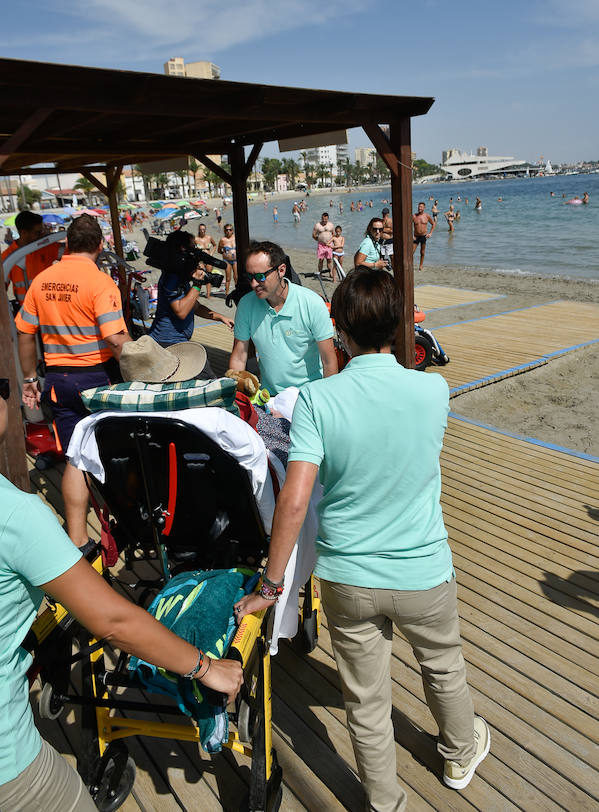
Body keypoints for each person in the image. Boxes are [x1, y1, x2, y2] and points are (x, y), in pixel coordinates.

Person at [234, 268, 490, 811]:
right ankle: (460, 752)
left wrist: (272, 586)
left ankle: (383, 801)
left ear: (341, 330)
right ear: (398, 325)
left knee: (366, 699)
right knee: (443, 665)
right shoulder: (432, 388)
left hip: (348, 575)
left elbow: (295, 501)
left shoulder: (318, 401)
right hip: (422, 567)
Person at [0, 381, 243, 812]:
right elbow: (114, 622)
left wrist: (77, 539)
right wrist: (206, 667)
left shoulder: (99, 428)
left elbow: (76, 470)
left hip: (141, 521)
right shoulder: (16, 515)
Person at [15, 214, 132, 552]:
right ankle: (126, 521)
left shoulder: (43, 280)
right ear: (99, 245)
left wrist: (29, 379)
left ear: (67, 244)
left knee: (76, 458)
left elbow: (24, 333)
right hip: (98, 379)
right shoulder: (99, 282)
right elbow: (114, 338)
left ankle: (77, 537)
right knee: (118, 452)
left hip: (57, 380)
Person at [228, 241, 338, 396]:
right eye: (249, 277)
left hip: (310, 396)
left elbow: (329, 361)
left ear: (281, 270)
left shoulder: (311, 303)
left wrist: (326, 402)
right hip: (269, 396)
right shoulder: (246, 305)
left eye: (260, 277)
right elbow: (239, 358)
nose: (253, 284)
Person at [149, 229, 233, 352]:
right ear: (183, 249)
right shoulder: (172, 277)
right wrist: (198, 284)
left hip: (177, 340)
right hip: (167, 342)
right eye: (193, 247)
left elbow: (195, 307)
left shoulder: (180, 276)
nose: (195, 251)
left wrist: (221, 317)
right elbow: (181, 312)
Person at [2, 210, 61, 307]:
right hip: (25, 312)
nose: (42, 234)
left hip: (50, 308)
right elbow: (1, 290)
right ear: (24, 233)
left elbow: (74, 253)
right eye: (38, 232)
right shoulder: (8, 257)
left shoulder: (46, 247)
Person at [194, 222, 217, 298]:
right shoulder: (196, 239)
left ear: (205, 230)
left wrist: (212, 253)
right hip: (200, 260)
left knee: (208, 276)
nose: (202, 231)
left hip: (209, 259)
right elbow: (192, 249)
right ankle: (196, 293)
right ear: (199, 230)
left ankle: (208, 294)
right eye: (201, 229)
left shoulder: (209, 237)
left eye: (204, 229)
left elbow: (214, 245)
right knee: (199, 276)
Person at [413, 201, 436, 271]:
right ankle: (410, 264)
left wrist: (430, 233)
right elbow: (407, 225)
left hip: (423, 236)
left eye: (421, 207)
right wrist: (411, 235)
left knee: (422, 252)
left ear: (424, 208)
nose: (419, 208)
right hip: (416, 236)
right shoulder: (414, 216)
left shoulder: (427, 216)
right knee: (411, 252)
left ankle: (421, 265)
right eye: (419, 206)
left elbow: (433, 224)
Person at [312, 211, 334, 279]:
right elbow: (313, 235)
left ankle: (330, 272)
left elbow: (333, 234)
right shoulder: (317, 225)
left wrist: (331, 242)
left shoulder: (331, 225)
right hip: (321, 245)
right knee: (321, 260)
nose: (324, 220)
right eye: (323, 219)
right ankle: (320, 273)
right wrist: (319, 240)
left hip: (329, 245)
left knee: (329, 260)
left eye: (326, 219)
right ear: (321, 218)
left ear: (328, 218)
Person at [218, 223, 238, 293]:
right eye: (227, 230)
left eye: (230, 230)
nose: (228, 231)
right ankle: (227, 294)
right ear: (224, 231)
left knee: (236, 277)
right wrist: (225, 254)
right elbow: (219, 250)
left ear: (232, 230)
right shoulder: (223, 240)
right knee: (228, 278)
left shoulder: (236, 238)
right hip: (227, 261)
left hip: (235, 260)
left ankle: (237, 291)